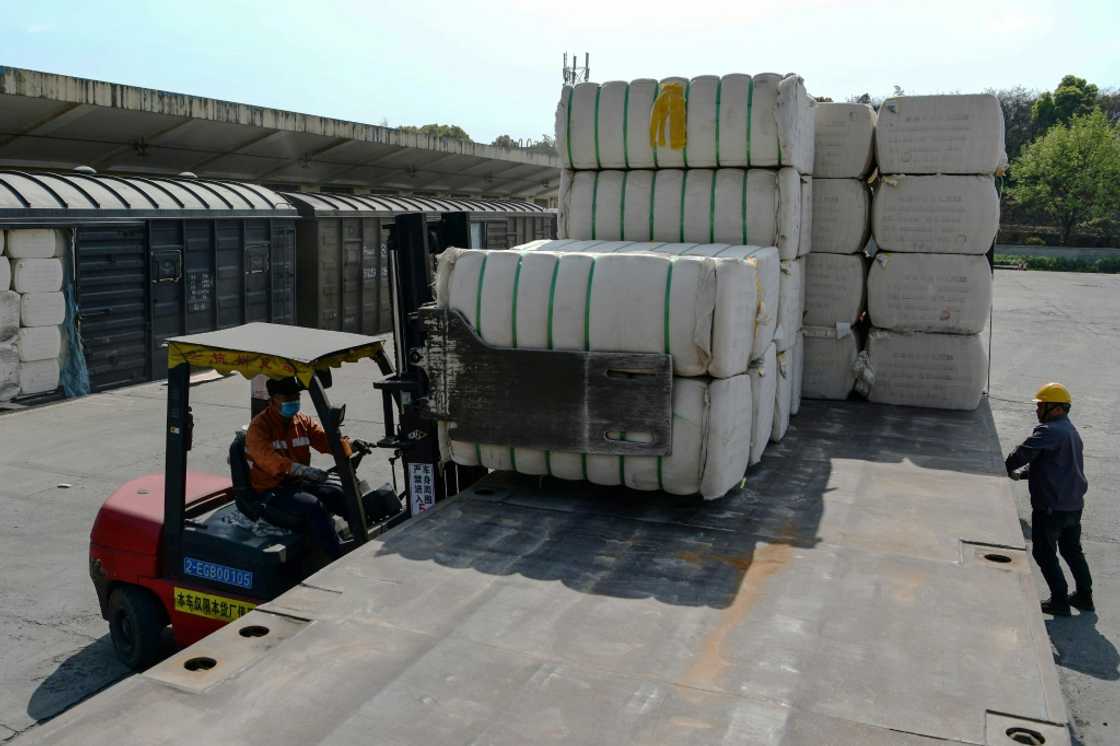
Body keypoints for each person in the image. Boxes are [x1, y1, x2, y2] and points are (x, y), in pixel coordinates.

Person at [245, 376, 371, 559]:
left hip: (297, 483)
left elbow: (324, 440)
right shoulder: (259, 427)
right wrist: (303, 471)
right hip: (271, 491)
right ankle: (334, 557)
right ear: (273, 400)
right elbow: (268, 460)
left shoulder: (302, 421)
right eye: (287, 398)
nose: (293, 401)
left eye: (296, 396)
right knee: (314, 507)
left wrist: (350, 445)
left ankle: (362, 542)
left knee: (340, 494)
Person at [1005, 382, 1093, 617]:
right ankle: (1085, 596)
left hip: (1051, 506)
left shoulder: (1049, 431)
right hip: (1072, 505)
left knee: (1044, 552)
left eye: (1041, 405)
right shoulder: (1070, 431)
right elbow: (1057, 466)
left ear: (1056, 408)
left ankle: (1059, 601)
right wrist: (1023, 475)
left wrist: (1003, 467)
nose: (1037, 409)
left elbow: (1022, 453)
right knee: (1072, 550)